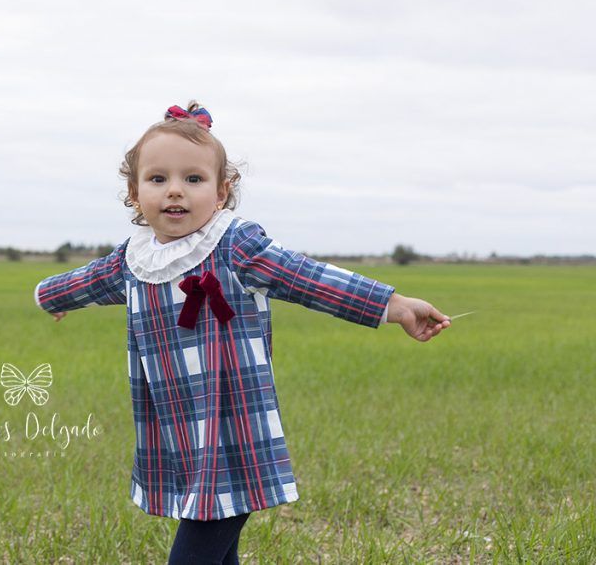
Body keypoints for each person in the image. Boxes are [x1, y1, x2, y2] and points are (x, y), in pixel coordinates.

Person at [33, 102, 452, 565]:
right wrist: (50, 296)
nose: (175, 191)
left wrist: (392, 305)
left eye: (193, 179)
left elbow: (307, 277)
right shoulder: (132, 260)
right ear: (134, 193)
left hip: (232, 433)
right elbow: (87, 281)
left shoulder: (234, 246)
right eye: (158, 179)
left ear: (221, 191)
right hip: (178, 432)